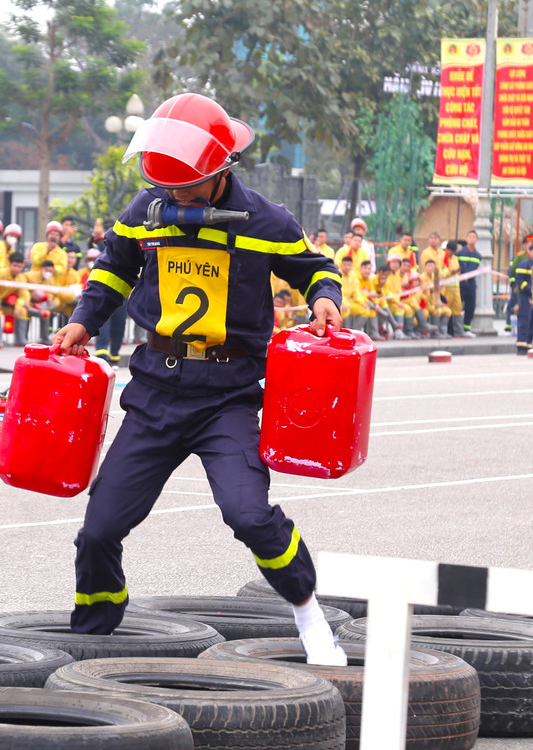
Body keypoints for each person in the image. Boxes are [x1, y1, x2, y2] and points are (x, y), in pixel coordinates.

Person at [52, 93, 347, 664]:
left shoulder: (266, 220)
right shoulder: (146, 209)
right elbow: (113, 269)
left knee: (248, 516)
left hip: (227, 398)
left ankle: (311, 618)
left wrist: (324, 298)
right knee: (98, 531)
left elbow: (315, 270)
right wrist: (84, 320)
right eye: (166, 186)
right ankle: (93, 632)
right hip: (154, 392)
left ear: (220, 171)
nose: (175, 197)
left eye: (185, 187)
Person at [513, 240, 533, 355]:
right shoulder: (524, 264)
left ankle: (529, 344)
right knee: (524, 321)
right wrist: (530, 289)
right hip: (526, 297)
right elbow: (520, 280)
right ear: (529, 251)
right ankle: (521, 346)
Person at [456, 229, 482, 336]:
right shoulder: (459, 254)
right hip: (461, 283)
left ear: (477, 240)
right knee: (457, 306)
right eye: (470, 237)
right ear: (466, 239)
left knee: (470, 307)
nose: (472, 239)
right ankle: (456, 329)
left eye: (474, 237)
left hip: (471, 283)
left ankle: (467, 329)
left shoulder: (478, 256)